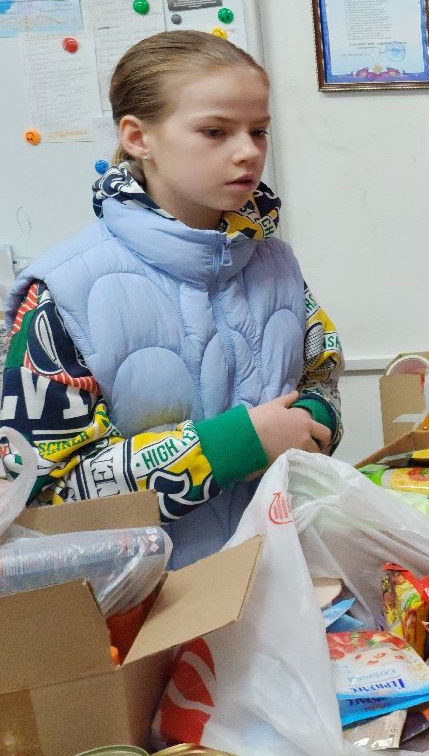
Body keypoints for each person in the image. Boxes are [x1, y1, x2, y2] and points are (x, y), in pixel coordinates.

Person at [1, 31, 342, 567]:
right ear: (138, 137)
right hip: (146, 612)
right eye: (215, 131)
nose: (248, 151)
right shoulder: (62, 294)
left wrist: (315, 421)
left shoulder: (277, 264)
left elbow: (322, 378)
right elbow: (45, 495)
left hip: (283, 576)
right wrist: (235, 446)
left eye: (259, 131)